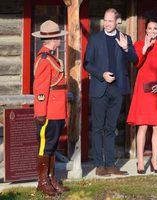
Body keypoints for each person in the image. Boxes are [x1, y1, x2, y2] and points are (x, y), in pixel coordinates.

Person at [84, 8, 138, 176]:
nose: (107, 23)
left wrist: (126, 48)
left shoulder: (125, 39)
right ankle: (100, 166)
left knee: (111, 127)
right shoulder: (94, 39)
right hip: (100, 88)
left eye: (110, 21)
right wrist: (102, 75)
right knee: (98, 128)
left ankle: (110, 164)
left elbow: (135, 60)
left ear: (117, 21)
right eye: (105, 20)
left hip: (118, 89)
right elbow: (87, 63)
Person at [127, 18, 157, 174]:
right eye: (150, 28)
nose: (152, 31)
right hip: (143, 90)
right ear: (145, 30)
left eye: (155, 28)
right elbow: (137, 64)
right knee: (143, 126)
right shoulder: (139, 45)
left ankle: (154, 161)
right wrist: (145, 48)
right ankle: (140, 162)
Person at [32, 20, 69, 196]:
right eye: (59, 37)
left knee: (52, 146)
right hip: (48, 111)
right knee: (45, 147)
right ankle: (42, 181)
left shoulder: (52, 57)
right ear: (53, 39)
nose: (61, 40)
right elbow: (40, 89)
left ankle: (51, 178)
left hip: (57, 110)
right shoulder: (44, 59)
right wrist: (40, 113)